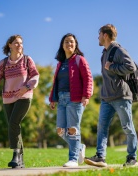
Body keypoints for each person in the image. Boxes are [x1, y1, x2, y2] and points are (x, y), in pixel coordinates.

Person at [84, 24, 138, 167]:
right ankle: (100, 157)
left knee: (127, 126)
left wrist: (112, 67)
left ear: (105, 35)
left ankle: (132, 158)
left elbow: (131, 67)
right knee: (102, 127)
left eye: (99, 34)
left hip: (121, 96)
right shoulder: (105, 52)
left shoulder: (118, 50)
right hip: (107, 98)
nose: (98, 37)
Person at [0, 35, 39, 168]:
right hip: (8, 99)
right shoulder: (4, 63)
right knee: (14, 126)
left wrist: (27, 87)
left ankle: (15, 154)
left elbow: (35, 75)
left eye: (21, 43)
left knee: (14, 122)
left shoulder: (27, 60)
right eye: (16, 43)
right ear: (10, 45)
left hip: (24, 96)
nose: (20, 45)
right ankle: (21, 161)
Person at [49, 33, 93, 167]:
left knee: (73, 129)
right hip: (61, 99)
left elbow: (88, 78)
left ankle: (73, 159)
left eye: (72, 42)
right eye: (67, 42)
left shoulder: (80, 60)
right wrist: (52, 98)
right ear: (62, 45)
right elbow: (56, 82)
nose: (69, 44)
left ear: (75, 45)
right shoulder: (60, 64)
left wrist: (86, 95)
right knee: (60, 130)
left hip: (75, 98)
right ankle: (79, 147)